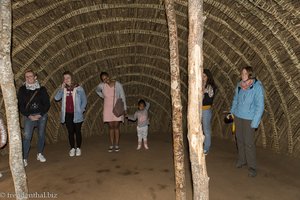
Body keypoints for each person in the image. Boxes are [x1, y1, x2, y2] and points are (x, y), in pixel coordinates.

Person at [230, 66, 264, 177]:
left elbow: (260, 106)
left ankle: (252, 166)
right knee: (239, 139)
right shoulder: (239, 86)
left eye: (245, 73)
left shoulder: (257, 87)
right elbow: (235, 100)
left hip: (249, 118)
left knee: (248, 143)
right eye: (242, 73)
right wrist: (232, 112)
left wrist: (255, 122)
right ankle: (242, 160)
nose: (243, 75)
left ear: (250, 74)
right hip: (238, 116)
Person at [17, 69, 50, 167]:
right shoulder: (22, 90)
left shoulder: (42, 89)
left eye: (30, 76)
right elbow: (20, 105)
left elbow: (47, 103)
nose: (28, 78)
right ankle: (24, 158)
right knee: (27, 137)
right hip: (29, 116)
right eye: (26, 76)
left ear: (35, 77)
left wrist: (41, 114)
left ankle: (40, 153)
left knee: (41, 134)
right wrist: (29, 116)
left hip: (41, 115)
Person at [55, 71, 87, 157]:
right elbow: (56, 98)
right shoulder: (63, 89)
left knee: (77, 131)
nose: (66, 80)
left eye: (68, 78)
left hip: (77, 114)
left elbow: (84, 100)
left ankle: (78, 148)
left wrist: (81, 109)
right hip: (67, 114)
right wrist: (61, 89)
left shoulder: (78, 88)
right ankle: (72, 148)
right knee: (70, 132)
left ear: (72, 78)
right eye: (64, 78)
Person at [96, 72, 127, 152]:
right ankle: (111, 144)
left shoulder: (118, 84)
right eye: (103, 79)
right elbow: (97, 90)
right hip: (107, 108)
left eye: (106, 77)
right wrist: (103, 96)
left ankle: (116, 144)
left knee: (116, 126)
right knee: (110, 127)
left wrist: (125, 108)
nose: (105, 80)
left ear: (109, 76)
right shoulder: (102, 85)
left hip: (117, 107)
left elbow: (122, 96)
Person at [202, 69, 216, 155]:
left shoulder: (210, 87)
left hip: (205, 110)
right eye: (202, 76)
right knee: (198, 129)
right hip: (197, 110)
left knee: (206, 130)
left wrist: (204, 92)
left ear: (208, 77)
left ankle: (206, 148)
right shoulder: (199, 85)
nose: (203, 78)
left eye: (204, 76)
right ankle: (200, 145)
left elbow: (209, 99)